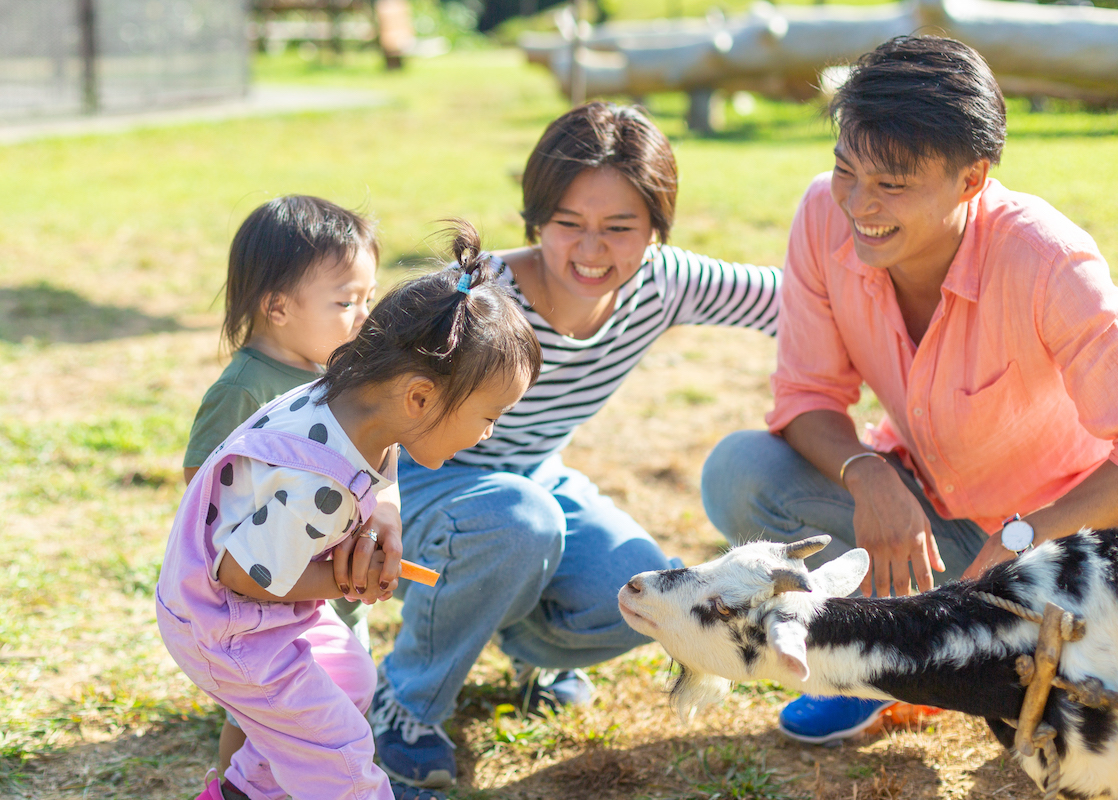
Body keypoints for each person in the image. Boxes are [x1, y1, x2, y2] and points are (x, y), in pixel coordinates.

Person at [700, 34, 1118, 745]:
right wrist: (868, 474)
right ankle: (885, 658)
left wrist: (1026, 537)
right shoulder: (822, 213)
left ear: (972, 179)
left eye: (891, 185)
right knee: (741, 472)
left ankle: (1036, 665)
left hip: (1067, 532)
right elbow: (805, 397)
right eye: (846, 170)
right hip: (933, 524)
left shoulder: (1048, 259)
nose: (858, 205)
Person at [369, 101, 781, 791]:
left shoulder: (664, 281)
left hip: (534, 477)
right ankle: (404, 704)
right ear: (536, 220)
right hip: (422, 484)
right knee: (515, 519)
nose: (591, 251)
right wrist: (369, 509)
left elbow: (798, 300)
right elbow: (366, 401)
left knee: (644, 593)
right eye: (569, 225)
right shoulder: (476, 296)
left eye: (620, 228)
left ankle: (524, 646)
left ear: (655, 230)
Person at [158, 222, 542, 800]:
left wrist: (384, 515)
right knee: (343, 758)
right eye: (490, 415)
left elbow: (382, 460)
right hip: (226, 625)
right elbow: (242, 573)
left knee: (349, 681)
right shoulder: (320, 482)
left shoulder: (357, 400)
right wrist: (345, 574)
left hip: (258, 609)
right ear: (419, 398)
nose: (489, 434)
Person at [181, 195, 404, 778]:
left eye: (369, 298)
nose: (364, 317)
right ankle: (239, 788)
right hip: (259, 602)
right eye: (345, 302)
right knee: (262, 715)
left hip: (334, 588)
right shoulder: (246, 390)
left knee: (339, 697)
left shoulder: (341, 374)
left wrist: (384, 508)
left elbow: (383, 451)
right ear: (278, 306)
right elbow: (201, 488)